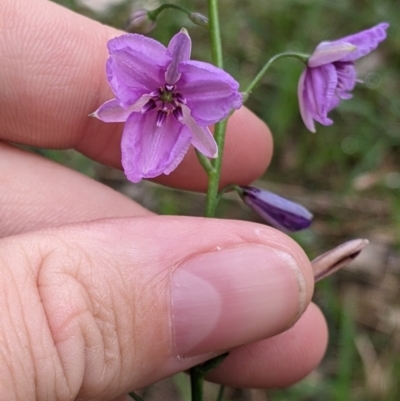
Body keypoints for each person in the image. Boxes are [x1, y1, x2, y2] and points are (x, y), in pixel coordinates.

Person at [0, 0, 328, 399]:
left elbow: (224, 90)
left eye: (172, 97)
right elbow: (125, 65)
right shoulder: (132, 62)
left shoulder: (213, 90)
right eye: (165, 96)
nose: (168, 98)